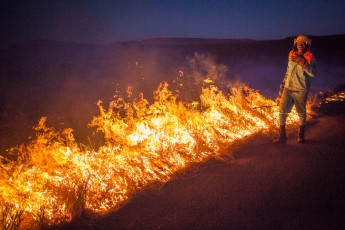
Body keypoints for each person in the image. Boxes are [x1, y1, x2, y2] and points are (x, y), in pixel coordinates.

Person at [274, 34, 317, 144]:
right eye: (298, 43)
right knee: (282, 112)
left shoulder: (309, 56)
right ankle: (282, 137)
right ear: (295, 44)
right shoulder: (291, 54)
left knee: (301, 113)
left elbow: (313, 73)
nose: (300, 45)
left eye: (303, 43)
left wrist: (302, 62)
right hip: (288, 88)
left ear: (307, 44)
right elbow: (288, 70)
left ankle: (301, 135)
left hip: (301, 90)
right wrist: (284, 81)